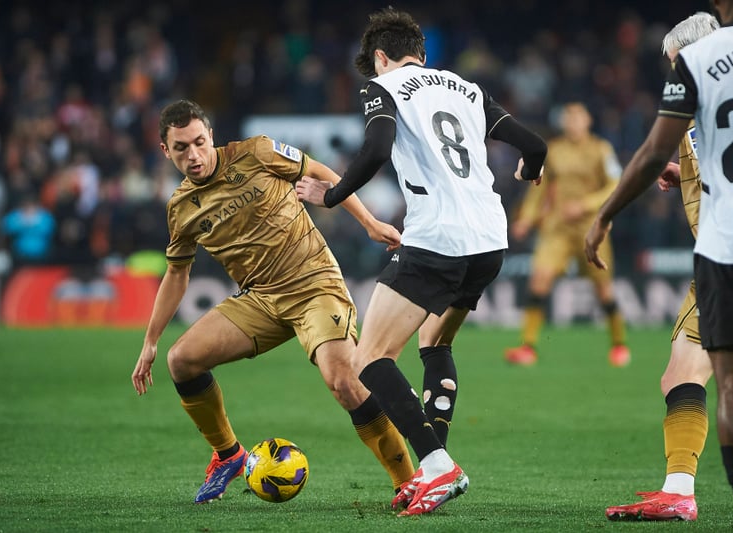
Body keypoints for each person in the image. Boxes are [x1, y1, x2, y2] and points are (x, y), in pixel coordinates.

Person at [296, 7, 547, 516]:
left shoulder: (382, 86)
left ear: (380, 58)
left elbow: (376, 148)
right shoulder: (467, 88)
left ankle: (436, 465)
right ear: (422, 54)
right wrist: (529, 169)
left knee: (369, 359)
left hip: (438, 238)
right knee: (435, 342)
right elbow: (535, 145)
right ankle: (436, 469)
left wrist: (332, 195)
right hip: (489, 241)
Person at [130, 99, 416, 505]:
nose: (193, 155)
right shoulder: (181, 209)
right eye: (181, 148)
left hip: (314, 284)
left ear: (210, 135)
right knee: (182, 360)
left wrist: (369, 222)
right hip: (261, 299)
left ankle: (408, 482)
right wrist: (150, 341)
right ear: (165, 150)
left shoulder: (257, 152)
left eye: (198, 142)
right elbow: (177, 274)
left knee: (343, 381)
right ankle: (228, 455)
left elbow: (321, 172)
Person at [585, 1, 733, 530]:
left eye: (672, 63)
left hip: (730, 252)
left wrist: (605, 214)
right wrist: (682, 171)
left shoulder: (702, 67)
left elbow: (655, 150)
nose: (671, 72)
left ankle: (683, 493)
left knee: (690, 373)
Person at [504, 101, 630, 367]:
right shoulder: (554, 151)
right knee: (539, 279)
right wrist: (526, 218)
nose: (573, 123)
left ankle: (619, 345)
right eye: (569, 118)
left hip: (591, 229)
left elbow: (614, 184)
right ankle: (528, 347)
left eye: (577, 118)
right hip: (557, 227)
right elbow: (539, 188)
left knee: (604, 290)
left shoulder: (601, 149)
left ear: (588, 121)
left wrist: (585, 205)